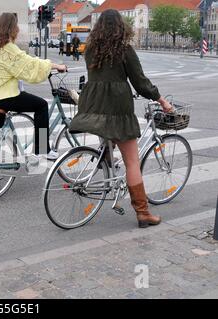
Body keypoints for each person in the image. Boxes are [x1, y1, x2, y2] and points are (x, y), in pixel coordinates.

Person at [69, 9, 174, 229]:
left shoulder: (90, 49)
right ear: (120, 27)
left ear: (98, 28)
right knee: (132, 162)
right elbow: (140, 82)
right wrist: (161, 100)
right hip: (117, 107)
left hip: (93, 105)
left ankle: (106, 157)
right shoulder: (123, 49)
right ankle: (143, 213)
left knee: (107, 132)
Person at [0, 12, 67, 159]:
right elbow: (29, 64)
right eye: (16, 26)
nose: (18, 29)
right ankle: (43, 149)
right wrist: (55, 65)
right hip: (4, 96)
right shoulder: (7, 47)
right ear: (12, 28)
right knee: (41, 105)